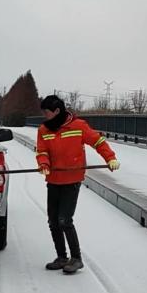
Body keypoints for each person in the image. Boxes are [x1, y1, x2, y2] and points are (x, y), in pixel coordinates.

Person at [36, 95, 120, 274]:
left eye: (46, 112)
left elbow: (98, 142)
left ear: (56, 111)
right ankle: (61, 257)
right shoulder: (43, 129)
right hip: (53, 180)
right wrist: (43, 164)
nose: (44, 115)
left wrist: (110, 158)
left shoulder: (78, 126)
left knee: (64, 220)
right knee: (53, 221)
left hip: (72, 180)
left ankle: (76, 258)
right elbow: (42, 151)